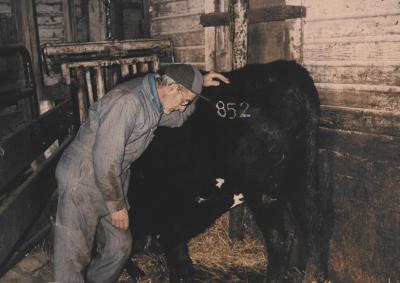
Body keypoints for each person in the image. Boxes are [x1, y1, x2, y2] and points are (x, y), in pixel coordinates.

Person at [53, 64, 230, 283]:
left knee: (119, 247)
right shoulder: (128, 101)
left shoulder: (155, 100)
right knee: (73, 254)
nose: (184, 107)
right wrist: (117, 206)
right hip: (84, 176)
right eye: (184, 101)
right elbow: (105, 158)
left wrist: (199, 83)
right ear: (172, 87)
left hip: (112, 177)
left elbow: (178, 120)